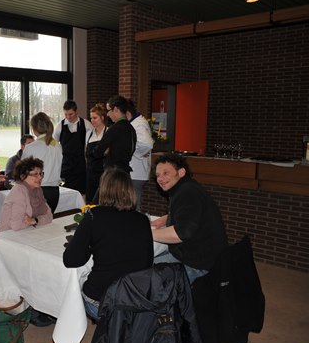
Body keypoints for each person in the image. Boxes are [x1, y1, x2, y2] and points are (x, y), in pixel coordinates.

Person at [63, 168, 154, 320]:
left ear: (104, 189)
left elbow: (71, 260)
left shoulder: (94, 216)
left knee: (72, 292)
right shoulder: (143, 220)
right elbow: (148, 262)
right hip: (136, 300)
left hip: (101, 300)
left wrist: (90, 245)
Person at [151, 153, 228, 284]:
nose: (160, 178)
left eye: (166, 173)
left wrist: (146, 233)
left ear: (181, 172)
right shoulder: (186, 188)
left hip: (200, 265)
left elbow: (181, 233)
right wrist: (166, 218)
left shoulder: (187, 193)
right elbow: (191, 213)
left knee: (144, 275)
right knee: (146, 262)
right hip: (196, 256)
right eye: (158, 175)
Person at [22, 112, 63, 213]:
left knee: (35, 221)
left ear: (34, 129)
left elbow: (22, 171)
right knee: (48, 219)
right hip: (54, 191)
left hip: (37, 190)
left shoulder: (30, 147)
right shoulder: (57, 145)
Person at [0, 157, 52, 232]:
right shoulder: (19, 191)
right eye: (35, 174)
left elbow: (49, 216)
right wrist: (37, 221)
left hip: (28, 231)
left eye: (40, 173)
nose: (40, 177)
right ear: (23, 176)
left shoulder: (38, 190)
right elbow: (16, 225)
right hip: (8, 234)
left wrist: (34, 220)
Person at [53, 100, 93, 194]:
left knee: (81, 192)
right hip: (65, 165)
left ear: (76, 111)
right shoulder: (60, 126)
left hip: (80, 165)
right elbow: (54, 144)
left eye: (70, 114)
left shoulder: (86, 124)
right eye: (66, 114)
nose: (68, 117)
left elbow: (89, 145)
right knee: (64, 192)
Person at [93, 95, 136, 174]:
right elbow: (131, 151)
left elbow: (97, 152)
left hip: (113, 174)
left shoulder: (114, 129)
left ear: (115, 109)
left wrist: (106, 151)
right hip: (125, 174)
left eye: (108, 110)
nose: (107, 114)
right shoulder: (131, 129)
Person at [126, 100, 154, 211]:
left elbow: (147, 144)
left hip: (136, 172)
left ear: (127, 113)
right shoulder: (135, 122)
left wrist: (130, 152)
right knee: (131, 203)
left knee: (133, 204)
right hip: (135, 171)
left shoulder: (138, 124)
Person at [84, 104, 108, 203]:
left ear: (102, 117)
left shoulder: (108, 132)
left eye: (95, 118)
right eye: (91, 118)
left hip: (103, 174)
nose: (92, 120)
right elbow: (86, 154)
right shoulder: (89, 134)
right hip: (90, 174)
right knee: (90, 201)